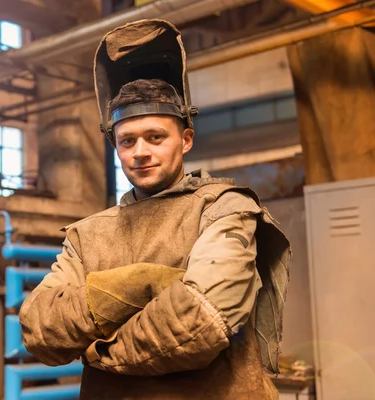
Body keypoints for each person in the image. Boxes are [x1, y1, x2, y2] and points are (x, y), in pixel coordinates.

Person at [19, 19, 290, 400]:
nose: (141, 151)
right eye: (127, 140)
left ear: (186, 139)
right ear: (116, 148)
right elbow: (38, 327)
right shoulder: (87, 234)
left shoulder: (224, 209)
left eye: (155, 137)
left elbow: (202, 323)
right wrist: (137, 283)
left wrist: (99, 351)